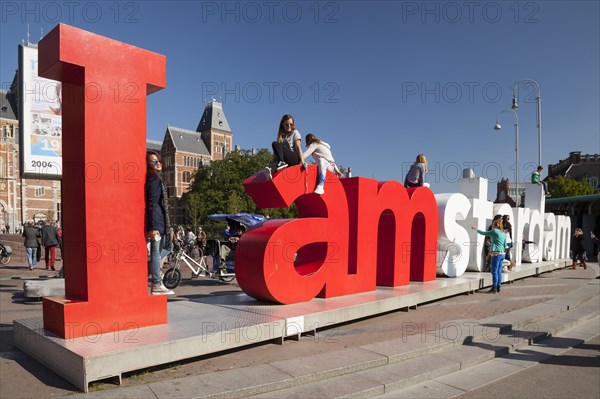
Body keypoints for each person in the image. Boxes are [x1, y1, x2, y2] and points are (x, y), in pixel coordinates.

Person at [145, 150, 174, 295]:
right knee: (156, 253)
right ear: (149, 165)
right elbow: (153, 203)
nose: (158, 164)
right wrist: (154, 226)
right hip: (157, 222)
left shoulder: (157, 179)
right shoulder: (154, 180)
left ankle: (153, 272)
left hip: (161, 222)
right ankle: (156, 283)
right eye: (154, 162)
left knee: (168, 247)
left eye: (159, 161)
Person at [264, 114, 306, 179]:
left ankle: (281, 163)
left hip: (294, 159)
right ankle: (270, 172)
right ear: (282, 124)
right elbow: (277, 152)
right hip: (285, 160)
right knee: (276, 149)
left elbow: (298, 147)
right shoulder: (282, 136)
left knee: (275, 143)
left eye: (291, 124)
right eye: (286, 124)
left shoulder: (295, 132)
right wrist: (271, 162)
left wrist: (302, 161)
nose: (289, 126)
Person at [472, 218, 506, 293]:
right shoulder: (503, 233)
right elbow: (505, 245)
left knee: (494, 271)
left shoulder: (494, 231)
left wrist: (476, 229)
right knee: (499, 271)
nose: (491, 225)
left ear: (495, 225)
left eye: (492, 224)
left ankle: (494, 288)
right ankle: (498, 287)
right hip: (502, 254)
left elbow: (484, 233)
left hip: (496, 254)